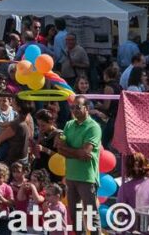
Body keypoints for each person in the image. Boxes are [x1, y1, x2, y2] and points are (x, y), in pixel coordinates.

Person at [55, 95, 100, 234]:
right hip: (71, 176)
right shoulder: (69, 124)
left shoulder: (94, 127)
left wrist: (66, 149)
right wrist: (77, 153)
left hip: (87, 177)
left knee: (91, 217)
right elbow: (61, 150)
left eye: (78, 107)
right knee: (75, 217)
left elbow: (85, 153)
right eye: (72, 107)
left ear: (87, 108)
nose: (74, 110)